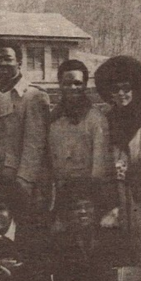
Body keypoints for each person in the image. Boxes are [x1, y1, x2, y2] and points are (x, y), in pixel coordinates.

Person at [94, 55, 141, 263]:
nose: (121, 94)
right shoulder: (106, 119)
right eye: (115, 89)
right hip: (119, 195)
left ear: (135, 88)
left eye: (126, 88)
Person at [0, 40, 50, 224]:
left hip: (22, 180)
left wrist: (24, 182)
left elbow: (35, 145)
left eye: (8, 59)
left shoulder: (34, 96)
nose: (2, 64)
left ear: (19, 62)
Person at [49, 59, 112, 187]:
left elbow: (99, 168)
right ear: (59, 84)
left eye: (77, 83)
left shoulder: (96, 119)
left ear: (85, 85)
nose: (72, 88)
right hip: (59, 190)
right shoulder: (53, 118)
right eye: (67, 83)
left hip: (84, 192)